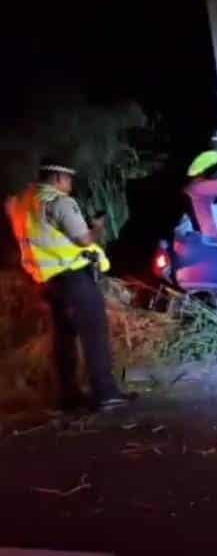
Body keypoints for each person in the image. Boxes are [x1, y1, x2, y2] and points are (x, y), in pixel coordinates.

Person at [4, 158, 132, 411]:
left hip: (46, 281)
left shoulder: (20, 203)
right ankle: (105, 393)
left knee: (63, 339)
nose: (70, 185)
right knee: (94, 334)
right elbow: (83, 240)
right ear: (58, 178)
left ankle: (69, 395)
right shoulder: (59, 201)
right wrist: (97, 228)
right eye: (69, 180)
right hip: (74, 277)